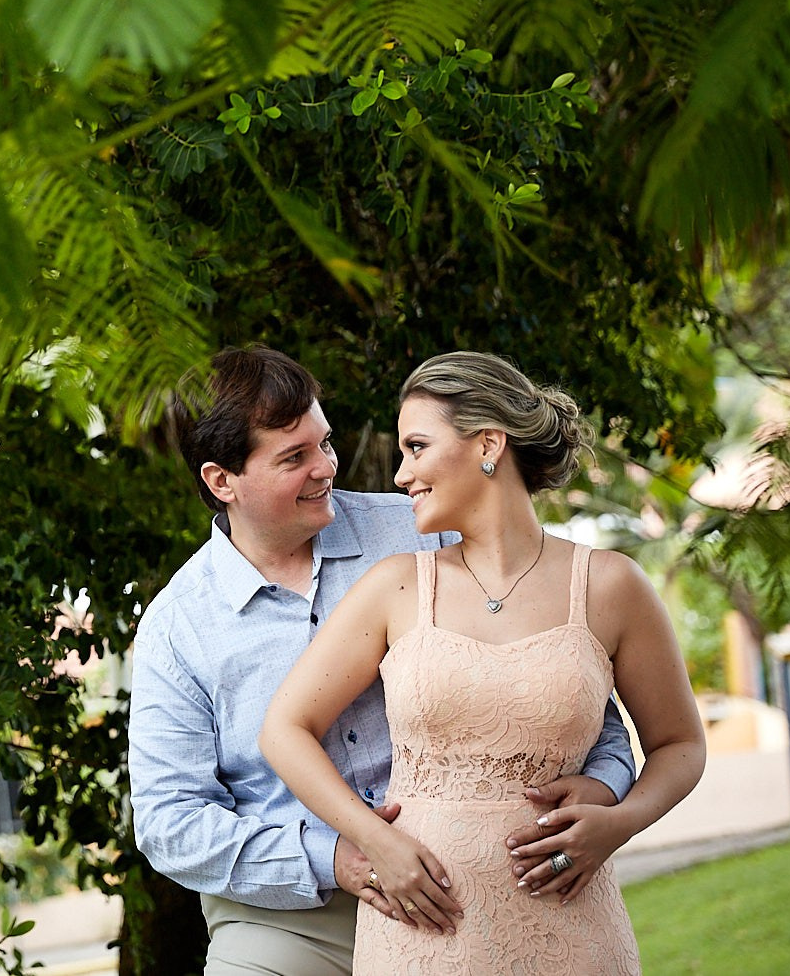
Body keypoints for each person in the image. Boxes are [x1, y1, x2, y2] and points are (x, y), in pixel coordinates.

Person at [130, 347, 635, 976]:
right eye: (294, 458)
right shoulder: (177, 627)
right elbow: (169, 823)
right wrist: (336, 856)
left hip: (462, 888)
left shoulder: (426, 530)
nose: (324, 470)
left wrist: (607, 785)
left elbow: (563, 692)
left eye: (325, 444)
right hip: (291, 915)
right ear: (221, 481)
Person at [260, 352, 706, 974]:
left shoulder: (610, 586)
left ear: (488, 444)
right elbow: (284, 729)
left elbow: (680, 744)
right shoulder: (395, 588)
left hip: (572, 930)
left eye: (417, 447)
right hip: (422, 936)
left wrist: (619, 823)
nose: (400, 475)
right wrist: (374, 839)